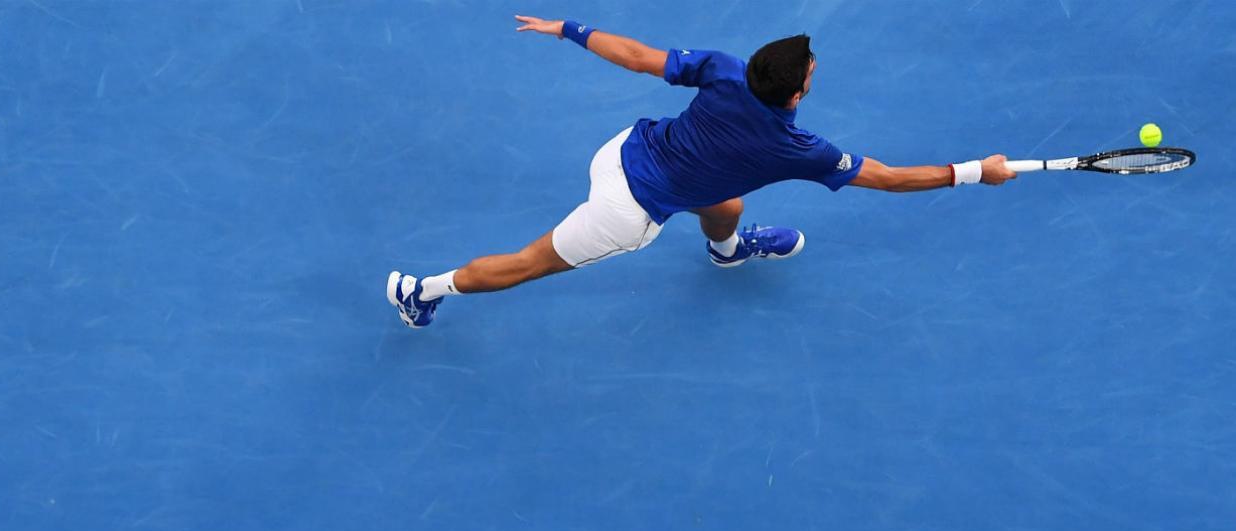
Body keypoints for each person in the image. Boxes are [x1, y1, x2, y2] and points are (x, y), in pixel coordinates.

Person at [387, 15, 1016, 328]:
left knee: (727, 202)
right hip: (626, 212)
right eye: (811, 69)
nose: (814, 69)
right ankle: (424, 292)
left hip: (620, 150)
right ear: (795, 95)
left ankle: (729, 252)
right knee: (529, 264)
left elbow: (635, 57)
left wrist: (568, 30)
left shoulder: (723, 68)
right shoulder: (799, 149)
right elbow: (889, 178)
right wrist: (973, 173)